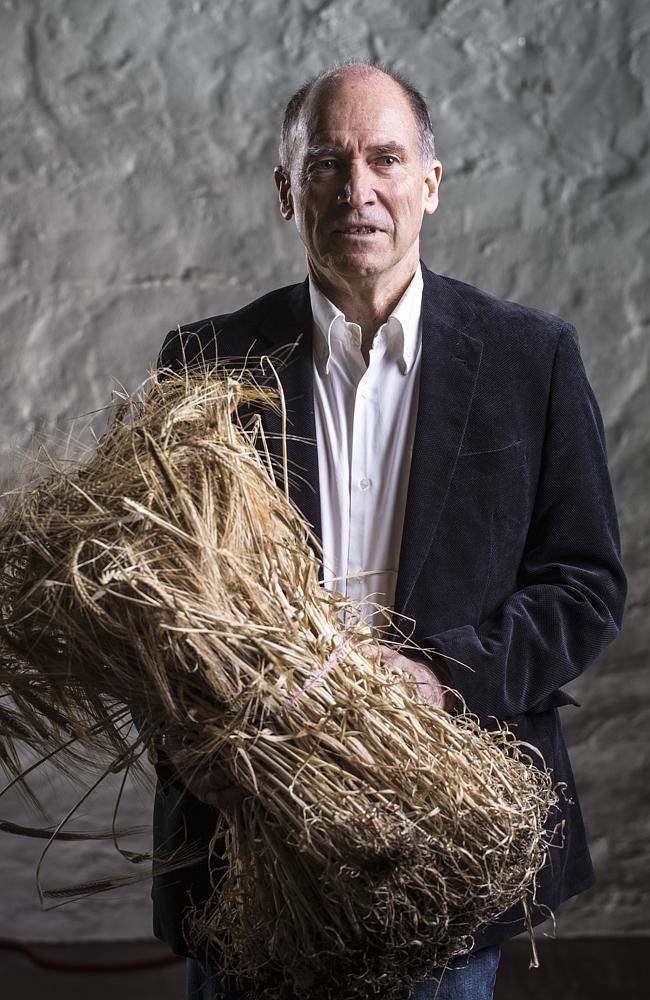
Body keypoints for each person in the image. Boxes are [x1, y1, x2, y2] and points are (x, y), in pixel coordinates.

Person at [151, 62, 627, 1000]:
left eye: (384, 159)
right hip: (251, 836)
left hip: (444, 843)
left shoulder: (532, 359)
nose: (356, 190)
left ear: (431, 185)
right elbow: (149, 600)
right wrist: (185, 732)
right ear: (288, 191)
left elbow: (586, 585)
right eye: (326, 164)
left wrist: (442, 677)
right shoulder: (205, 364)